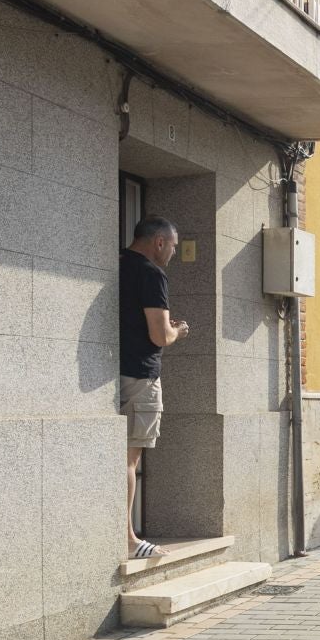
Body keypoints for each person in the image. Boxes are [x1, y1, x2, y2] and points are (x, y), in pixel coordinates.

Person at [119, 216, 187, 560]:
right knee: (129, 459)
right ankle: (129, 540)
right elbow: (159, 335)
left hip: (113, 371)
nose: (174, 252)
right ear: (159, 242)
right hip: (141, 376)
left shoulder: (116, 264)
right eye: (173, 246)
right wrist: (178, 331)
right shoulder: (151, 273)